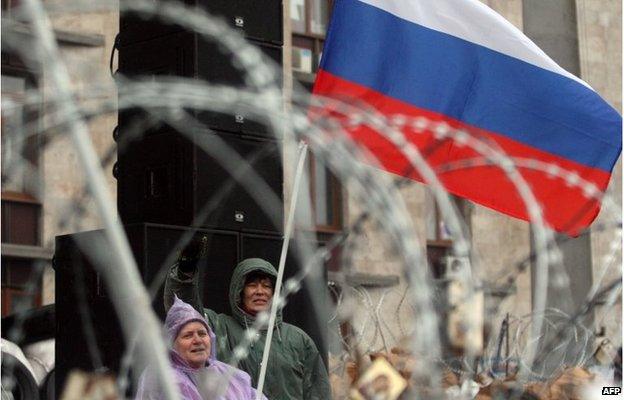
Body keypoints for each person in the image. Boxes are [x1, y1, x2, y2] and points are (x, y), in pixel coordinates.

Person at [164, 246, 331, 400]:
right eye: (252, 285)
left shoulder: (298, 339)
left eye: (267, 286)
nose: (260, 291)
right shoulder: (219, 327)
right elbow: (183, 311)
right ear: (239, 291)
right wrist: (184, 273)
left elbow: (318, 391)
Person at [136, 296, 264, 400]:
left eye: (202, 333)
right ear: (172, 344)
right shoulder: (160, 378)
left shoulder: (232, 376)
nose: (197, 340)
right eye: (188, 335)